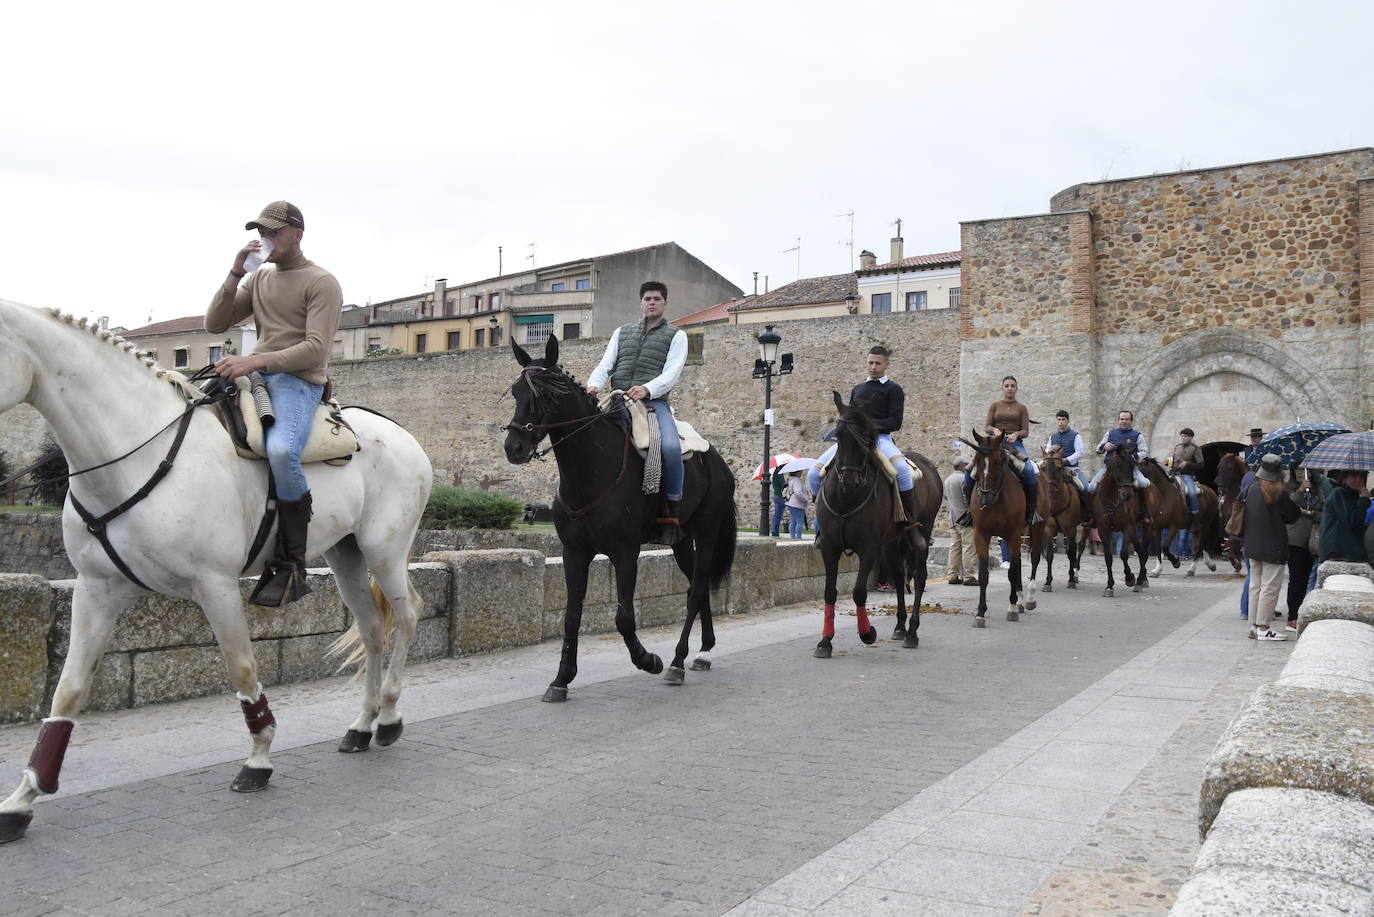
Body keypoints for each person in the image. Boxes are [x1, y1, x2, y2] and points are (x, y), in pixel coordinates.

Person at [206, 201, 343, 607]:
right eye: (261, 232)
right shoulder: (260, 278)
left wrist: (255, 360)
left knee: (282, 451)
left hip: (297, 382)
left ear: (297, 234)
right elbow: (215, 324)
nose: (266, 238)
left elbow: (315, 349)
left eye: (273, 232)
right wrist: (235, 272)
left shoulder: (322, 281)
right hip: (255, 375)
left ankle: (292, 562)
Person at [586, 281, 687, 538]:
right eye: (647, 299)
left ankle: (671, 510)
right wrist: (593, 385)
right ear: (641, 303)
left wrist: (647, 389)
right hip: (618, 399)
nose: (651, 302)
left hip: (654, 404)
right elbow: (605, 364)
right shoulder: (622, 332)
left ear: (664, 303)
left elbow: (672, 373)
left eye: (656, 299)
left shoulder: (676, 335)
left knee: (671, 449)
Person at [808, 346, 920, 530]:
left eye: (877, 363)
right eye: (870, 363)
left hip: (880, 439)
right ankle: (821, 522)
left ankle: (910, 520)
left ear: (886, 365)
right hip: (853, 440)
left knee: (901, 469)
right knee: (813, 474)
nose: (873, 367)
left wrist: (869, 426)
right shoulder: (858, 389)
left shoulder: (894, 389)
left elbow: (895, 422)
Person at [966, 375, 1041, 525]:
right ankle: (969, 511)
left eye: (1012, 386)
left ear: (1016, 388)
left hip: (1015, 445)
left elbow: (1026, 431)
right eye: (1007, 385)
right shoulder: (995, 405)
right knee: (969, 473)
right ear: (1002, 388)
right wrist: (994, 430)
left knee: (1029, 471)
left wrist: (1016, 434)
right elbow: (987, 426)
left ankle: (1031, 512)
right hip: (994, 444)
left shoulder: (1021, 408)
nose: (1010, 388)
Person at [1241, 454, 1300, 641]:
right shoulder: (1277, 493)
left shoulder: (1251, 488)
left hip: (1252, 544)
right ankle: (1264, 627)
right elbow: (1293, 515)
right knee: (1270, 587)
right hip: (1273, 546)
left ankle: (1254, 627)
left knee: (1255, 586)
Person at [1087, 410, 1153, 524]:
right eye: (1122, 419)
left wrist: (1131, 458)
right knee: (1091, 488)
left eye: (1127, 419)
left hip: (1129, 469)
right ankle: (1093, 516)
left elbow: (1144, 452)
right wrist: (1104, 446)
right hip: (1109, 468)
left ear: (1131, 421)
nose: (1124, 421)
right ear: (1119, 420)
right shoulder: (1110, 433)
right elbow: (1098, 449)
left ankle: (1146, 512)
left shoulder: (1137, 435)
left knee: (1144, 483)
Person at [1285, 469, 1322, 630]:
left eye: (1304, 470)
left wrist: (1308, 513)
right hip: (1295, 539)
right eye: (1298, 470)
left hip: (1313, 540)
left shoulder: (1318, 490)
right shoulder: (1289, 488)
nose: (1301, 473)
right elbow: (1288, 507)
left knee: (1309, 578)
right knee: (1296, 579)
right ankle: (1292, 615)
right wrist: (1300, 491)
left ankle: (1304, 611)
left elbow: (1323, 512)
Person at [1316, 469, 1370, 566]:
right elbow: (1351, 520)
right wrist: (1364, 500)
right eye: (1353, 476)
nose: (1358, 480)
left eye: (1361, 477)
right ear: (1344, 478)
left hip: (1347, 552)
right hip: (1338, 552)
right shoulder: (1339, 493)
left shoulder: (1353, 496)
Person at [943, 459, 977, 585]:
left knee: (954, 548)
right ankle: (968, 576)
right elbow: (967, 497)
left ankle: (952, 575)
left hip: (952, 517)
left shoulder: (947, 480)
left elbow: (946, 497)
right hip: (965, 518)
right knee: (968, 547)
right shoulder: (963, 479)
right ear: (962, 466)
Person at [784, 471, 809, 539]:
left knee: (794, 521)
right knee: (799, 521)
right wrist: (805, 499)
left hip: (791, 503)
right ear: (797, 472)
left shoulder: (791, 480)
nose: (801, 473)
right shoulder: (797, 480)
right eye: (800, 472)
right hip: (797, 504)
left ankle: (792, 536)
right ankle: (798, 537)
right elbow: (798, 492)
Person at [770, 469, 786, 537]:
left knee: (777, 515)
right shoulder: (779, 473)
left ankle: (774, 530)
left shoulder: (775, 473)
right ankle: (775, 532)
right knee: (778, 515)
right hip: (779, 496)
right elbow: (783, 484)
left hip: (776, 495)